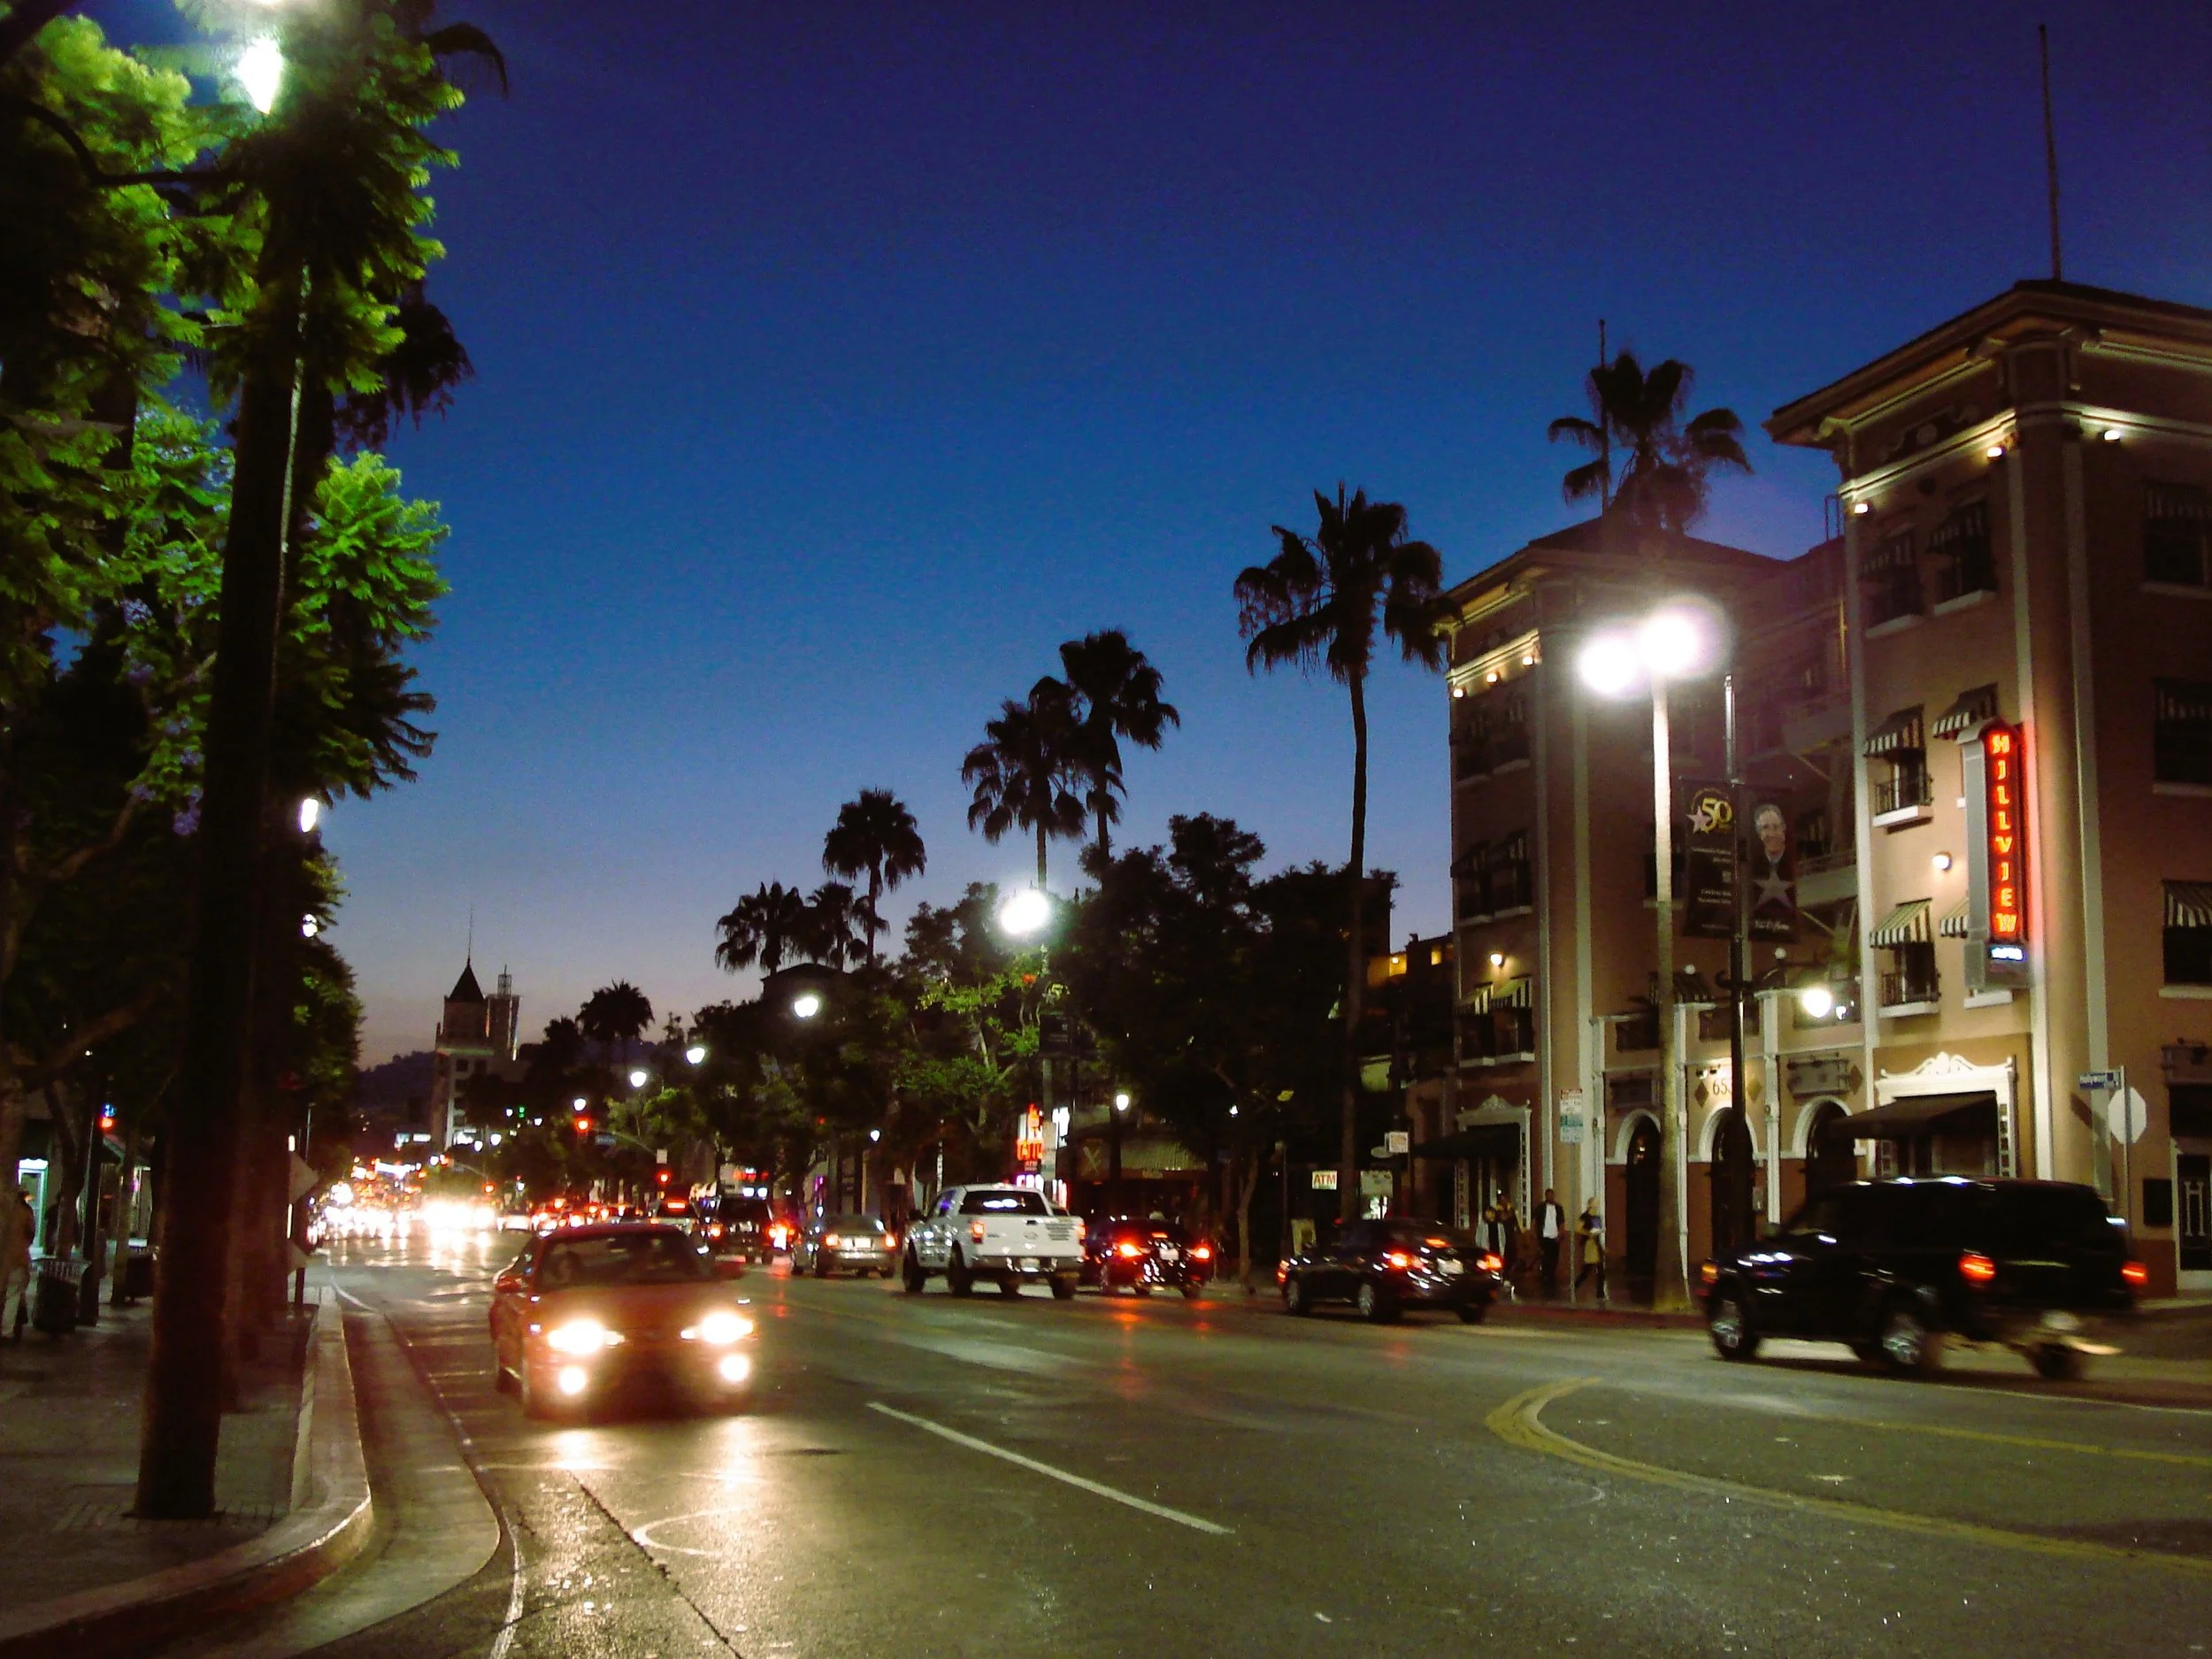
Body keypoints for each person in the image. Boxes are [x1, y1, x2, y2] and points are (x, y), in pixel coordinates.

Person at [3, 1188, 31, 1340]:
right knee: (13, 1294)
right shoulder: (24, 1212)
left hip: (11, 1257)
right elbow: (30, 1233)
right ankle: (7, 1329)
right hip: (17, 1258)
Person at [1535, 1187, 1567, 1296]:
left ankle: (1551, 1276)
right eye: (1548, 1195)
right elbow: (1536, 1222)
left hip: (1555, 1237)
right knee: (1545, 1258)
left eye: (1552, 1195)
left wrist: (1560, 1234)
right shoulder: (1541, 1208)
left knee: (1554, 1257)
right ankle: (1545, 1276)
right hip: (1544, 1237)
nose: (1550, 1197)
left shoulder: (1558, 1208)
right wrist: (1535, 1236)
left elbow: (1562, 1222)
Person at [1575, 1199, 1607, 1304]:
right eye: (1595, 1203)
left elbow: (1598, 1231)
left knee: (1600, 1269)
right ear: (1590, 1204)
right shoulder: (1585, 1216)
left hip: (1596, 1245)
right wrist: (1588, 1233)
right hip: (1589, 1245)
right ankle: (1575, 1285)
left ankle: (1600, 1293)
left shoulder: (1597, 1217)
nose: (1597, 1205)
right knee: (1587, 1269)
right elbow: (1578, 1228)